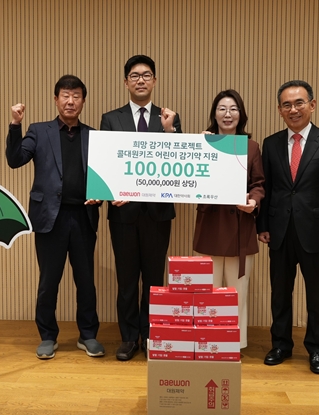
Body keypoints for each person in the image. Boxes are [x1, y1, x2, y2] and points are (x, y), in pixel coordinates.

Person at [256, 80, 319, 374]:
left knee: (318, 293)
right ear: (279, 110)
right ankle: (281, 345)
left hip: (315, 230)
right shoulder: (271, 143)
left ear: (312, 105)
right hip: (280, 229)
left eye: (299, 103)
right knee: (280, 292)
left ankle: (317, 349)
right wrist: (262, 225)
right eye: (286, 105)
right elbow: (267, 187)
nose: (293, 109)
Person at [6, 75, 104, 360]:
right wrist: (15, 124)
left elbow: (104, 176)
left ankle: (88, 335)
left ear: (83, 101)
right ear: (55, 99)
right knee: (49, 281)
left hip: (84, 216)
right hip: (50, 218)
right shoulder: (39, 131)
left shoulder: (93, 135)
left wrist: (101, 195)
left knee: (86, 280)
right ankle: (48, 336)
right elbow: (15, 160)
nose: (70, 101)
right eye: (65, 95)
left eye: (76, 96)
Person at [100, 55, 182, 361]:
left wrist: (170, 130)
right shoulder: (111, 118)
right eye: (134, 76)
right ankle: (128, 338)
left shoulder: (169, 117)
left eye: (147, 75)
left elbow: (177, 162)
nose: (141, 80)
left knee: (154, 279)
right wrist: (110, 192)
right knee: (126, 280)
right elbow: (105, 162)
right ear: (126, 82)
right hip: (123, 212)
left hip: (158, 213)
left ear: (155, 81)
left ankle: (151, 336)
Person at [192, 89, 265, 349]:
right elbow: (190, 179)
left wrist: (253, 201)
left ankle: (235, 344)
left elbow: (258, 184)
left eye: (233, 109)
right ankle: (206, 343)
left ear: (241, 114)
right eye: (222, 108)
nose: (227, 114)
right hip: (210, 225)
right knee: (207, 293)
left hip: (240, 227)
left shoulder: (251, 147)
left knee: (237, 293)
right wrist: (200, 147)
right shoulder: (203, 143)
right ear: (214, 114)